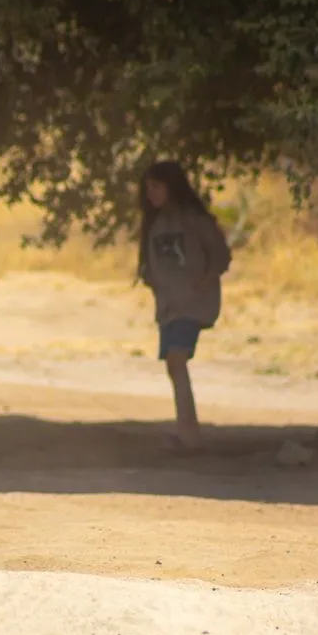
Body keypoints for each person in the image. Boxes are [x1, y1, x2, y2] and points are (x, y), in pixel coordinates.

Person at [136, 160, 232, 451]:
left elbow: (220, 256)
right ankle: (186, 429)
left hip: (191, 304)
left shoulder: (193, 219)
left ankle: (188, 433)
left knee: (176, 360)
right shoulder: (155, 224)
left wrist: (204, 281)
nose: (150, 193)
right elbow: (149, 265)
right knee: (173, 365)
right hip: (169, 306)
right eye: (147, 187)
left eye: (156, 186)